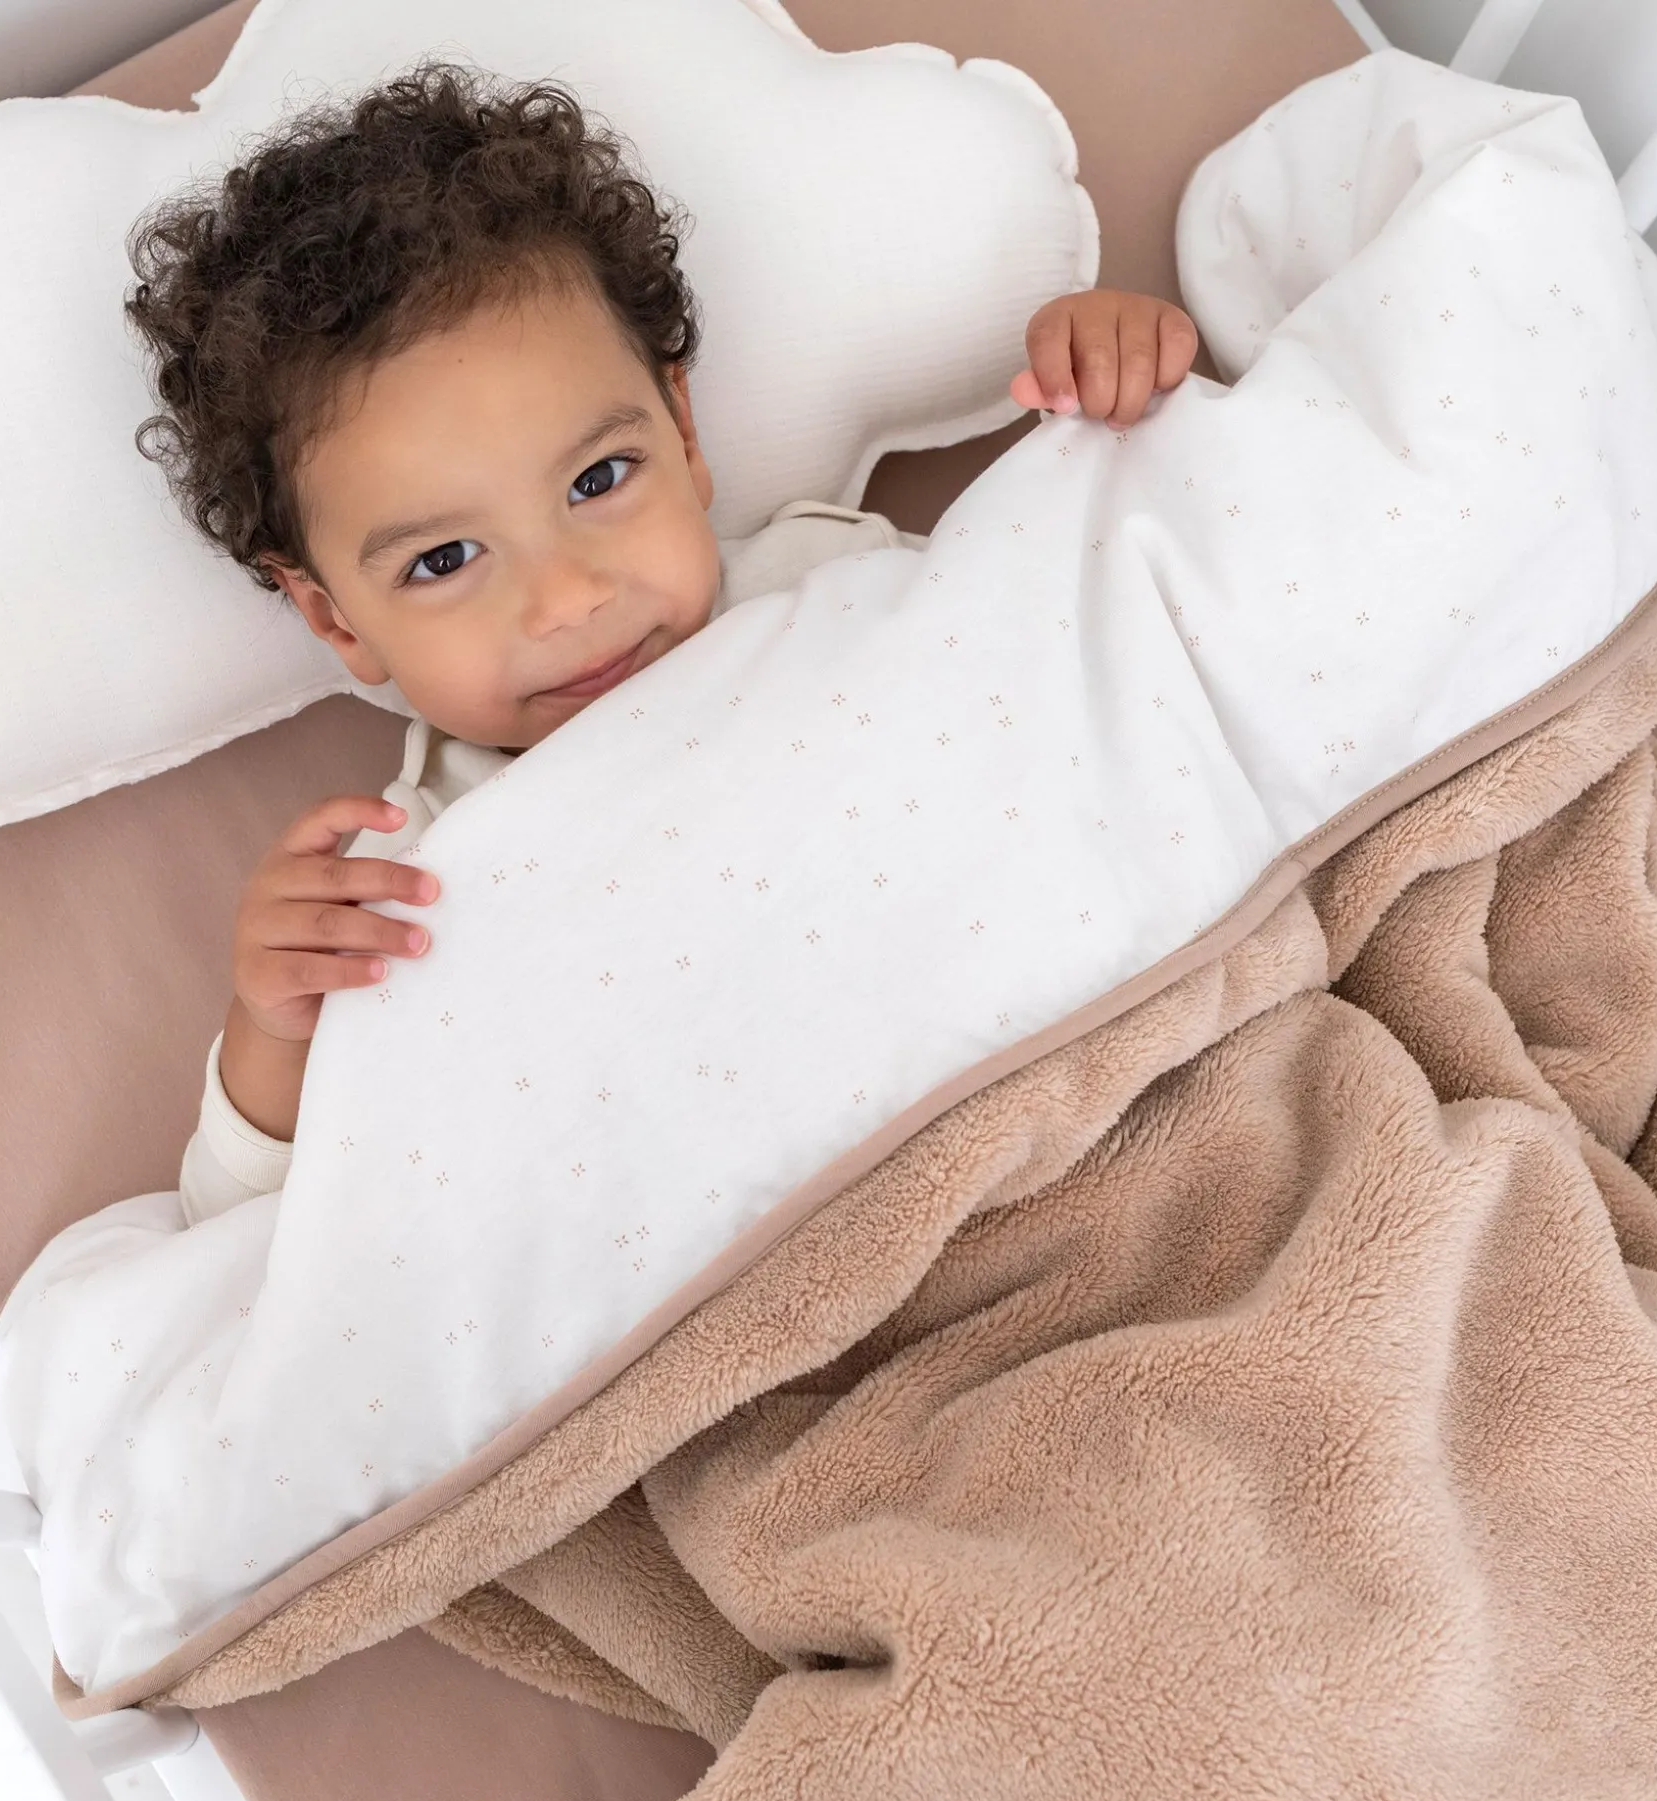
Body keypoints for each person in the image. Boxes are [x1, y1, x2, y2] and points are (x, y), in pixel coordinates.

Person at [124, 63, 1198, 1222]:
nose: (566, 599)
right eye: (444, 560)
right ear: (336, 618)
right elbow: (252, 1239)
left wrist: (1120, 406)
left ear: (682, 433)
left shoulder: (824, 581)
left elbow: (1085, 651)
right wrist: (275, 1033)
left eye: (598, 479)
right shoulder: (416, 873)